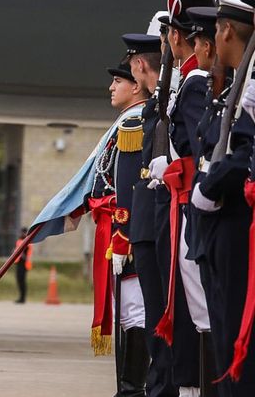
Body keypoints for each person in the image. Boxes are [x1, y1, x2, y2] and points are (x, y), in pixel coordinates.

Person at [150, 0, 214, 397]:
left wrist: (173, 168)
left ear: (178, 37)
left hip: (193, 207)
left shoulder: (194, 84)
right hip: (186, 203)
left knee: (199, 309)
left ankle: (197, 387)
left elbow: (200, 152)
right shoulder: (189, 82)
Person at [194, 0, 255, 394]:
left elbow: (248, 152)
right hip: (222, 221)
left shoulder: (251, 85)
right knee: (224, 330)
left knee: (236, 338)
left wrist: (209, 186)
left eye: (215, 30)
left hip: (235, 220)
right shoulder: (239, 82)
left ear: (227, 30)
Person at [126, 31, 178, 397]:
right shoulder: (157, 103)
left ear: (140, 65)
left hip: (159, 219)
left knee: (161, 314)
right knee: (155, 315)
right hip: (149, 220)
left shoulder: (166, 103)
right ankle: (158, 385)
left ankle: (164, 387)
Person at [94, 61, 149, 395]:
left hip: (125, 228)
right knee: (128, 311)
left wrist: (122, 236)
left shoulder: (135, 123)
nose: (112, 88)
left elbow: (130, 186)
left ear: (136, 86)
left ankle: (132, 388)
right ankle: (128, 387)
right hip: (112, 225)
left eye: (118, 81)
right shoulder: (122, 124)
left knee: (134, 311)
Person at [14, 227, 32, 304]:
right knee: (19, 281)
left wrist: (22, 255)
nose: (21, 234)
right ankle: (21, 297)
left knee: (22, 282)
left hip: (24, 265)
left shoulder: (28, 242)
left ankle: (23, 298)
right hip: (18, 263)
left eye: (23, 232)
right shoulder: (19, 241)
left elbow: (26, 254)